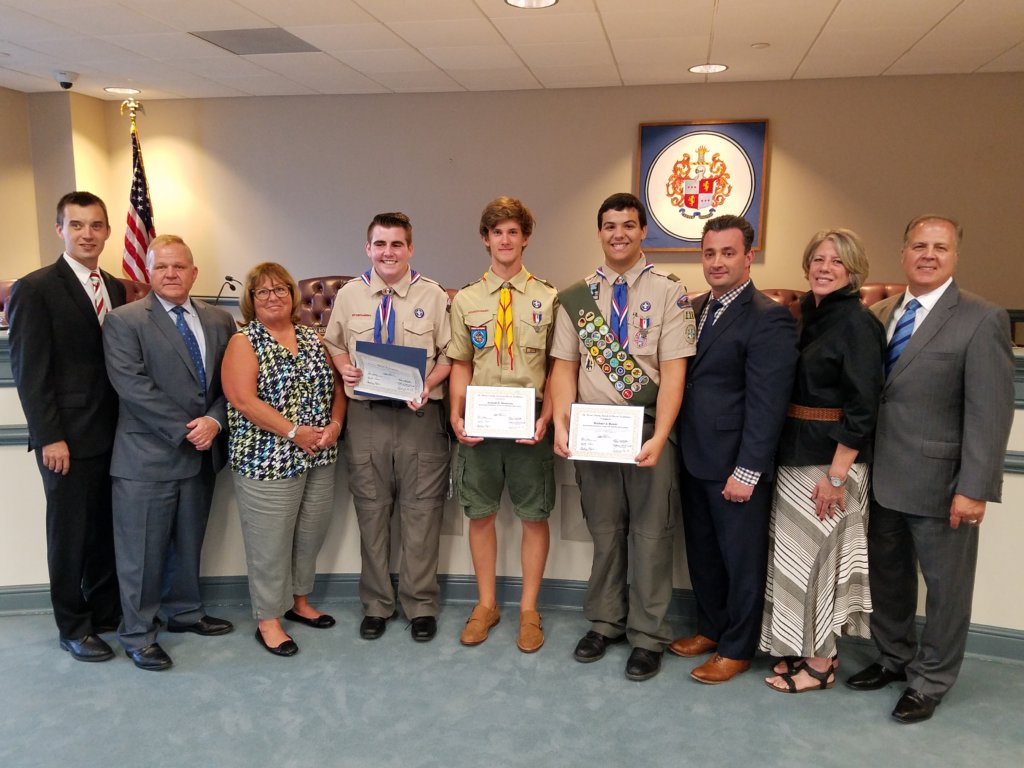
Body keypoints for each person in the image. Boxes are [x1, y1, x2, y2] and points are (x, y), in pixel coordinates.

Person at [845, 215, 1014, 723]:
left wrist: (975, 487)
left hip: (944, 486)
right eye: (919, 245)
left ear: (955, 256)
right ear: (903, 254)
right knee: (888, 579)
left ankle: (931, 679)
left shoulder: (982, 318)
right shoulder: (878, 315)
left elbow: (990, 412)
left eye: (940, 247)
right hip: (882, 480)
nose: (928, 254)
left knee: (946, 589)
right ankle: (894, 658)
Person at [549, 192, 695, 681]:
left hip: (649, 431)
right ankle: (606, 621)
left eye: (628, 225)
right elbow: (564, 369)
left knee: (651, 537)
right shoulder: (578, 296)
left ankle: (648, 635)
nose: (619, 234)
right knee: (605, 532)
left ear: (642, 232)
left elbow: (674, 375)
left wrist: (663, 434)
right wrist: (564, 423)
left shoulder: (670, 291)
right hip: (594, 432)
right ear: (599, 232)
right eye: (610, 225)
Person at [670, 214, 798, 684]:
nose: (717, 262)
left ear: (749, 256)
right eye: (709, 253)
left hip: (735, 465)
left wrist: (748, 470)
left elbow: (768, 405)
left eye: (728, 253)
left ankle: (738, 647)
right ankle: (711, 628)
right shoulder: (696, 308)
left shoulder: (769, 318)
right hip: (693, 455)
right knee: (702, 553)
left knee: (740, 559)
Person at [102, 234, 238, 671]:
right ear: (149, 272)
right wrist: (187, 430)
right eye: (162, 267)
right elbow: (132, 385)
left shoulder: (219, 320)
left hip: (202, 454)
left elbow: (229, 384)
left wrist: (215, 421)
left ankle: (184, 613)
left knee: (188, 542)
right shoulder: (125, 321)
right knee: (140, 554)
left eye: (180, 267)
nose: (172, 274)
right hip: (147, 457)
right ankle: (138, 634)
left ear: (194, 272)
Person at [760, 229, 885, 693]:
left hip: (831, 464)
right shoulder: (806, 316)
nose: (824, 267)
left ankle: (821, 662)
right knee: (797, 562)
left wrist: (836, 476)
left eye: (836, 261)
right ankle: (801, 649)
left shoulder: (857, 322)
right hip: (795, 456)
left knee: (820, 563)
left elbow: (863, 407)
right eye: (817, 258)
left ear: (854, 271)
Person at [8, 191, 126, 662]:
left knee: (102, 529)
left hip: (112, 433)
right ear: (60, 229)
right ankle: (73, 626)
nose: (87, 234)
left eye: (96, 225)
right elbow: (29, 371)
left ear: (107, 231)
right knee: (69, 533)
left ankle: (103, 612)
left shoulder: (114, 286)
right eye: (76, 225)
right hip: (66, 440)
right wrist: (49, 435)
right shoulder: (35, 288)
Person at [325, 212, 451, 643]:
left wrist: (427, 383)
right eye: (380, 244)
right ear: (368, 248)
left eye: (397, 244)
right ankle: (377, 604)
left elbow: (451, 355)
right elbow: (334, 343)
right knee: (372, 513)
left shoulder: (434, 296)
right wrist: (345, 368)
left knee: (422, 514)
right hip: (367, 419)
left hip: (419, 417)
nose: (388, 252)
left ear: (410, 249)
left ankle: (420, 605)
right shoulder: (349, 295)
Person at [448, 196, 557, 653]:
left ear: (525, 238)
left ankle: (529, 610)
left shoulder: (549, 298)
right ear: (485, 239)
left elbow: (558, 367)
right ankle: (487, 604)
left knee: (534, 516)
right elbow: (460, 364)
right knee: (481, 514)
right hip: (480, 421)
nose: (506, 240)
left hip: (528, 421)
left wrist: (549, 416)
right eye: (497, 232)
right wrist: (455, 414)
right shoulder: (466, 299)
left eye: (514, 231)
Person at [222, 262, 345, 657]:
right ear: (251, 301)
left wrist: (337, 424)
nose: (273, 297)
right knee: (269, 543)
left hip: (318, 457)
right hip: (266, 460)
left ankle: (298, 602)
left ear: (293, 296)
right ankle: (268, 619)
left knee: (309, 535)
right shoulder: (244, 341)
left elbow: (337, 387)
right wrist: (294, 431)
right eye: (263, 292)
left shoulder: (313, 337)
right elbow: (242, 399)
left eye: (280, 290)